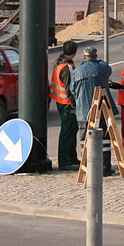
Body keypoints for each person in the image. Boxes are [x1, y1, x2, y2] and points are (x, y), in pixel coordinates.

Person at [68, 46, 117, 176]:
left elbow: (72, 90)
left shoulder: (77, 71)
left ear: (84, 57)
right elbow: (108, 69)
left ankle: (87, 167)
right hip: (102, 109)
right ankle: (105, 167)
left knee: (85, 139)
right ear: (95, 56)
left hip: (83, 111)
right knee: (104, 139)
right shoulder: (101, 68)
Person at [49, 40, 80, 170]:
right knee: (68, 131)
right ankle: (65, 160)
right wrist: (74, 104)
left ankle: (72, 157)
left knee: (71, 130)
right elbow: (70, 89)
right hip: (67, 103)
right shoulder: (67, 67)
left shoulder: (58, 61)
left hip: (59, 100)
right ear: (74, 53)